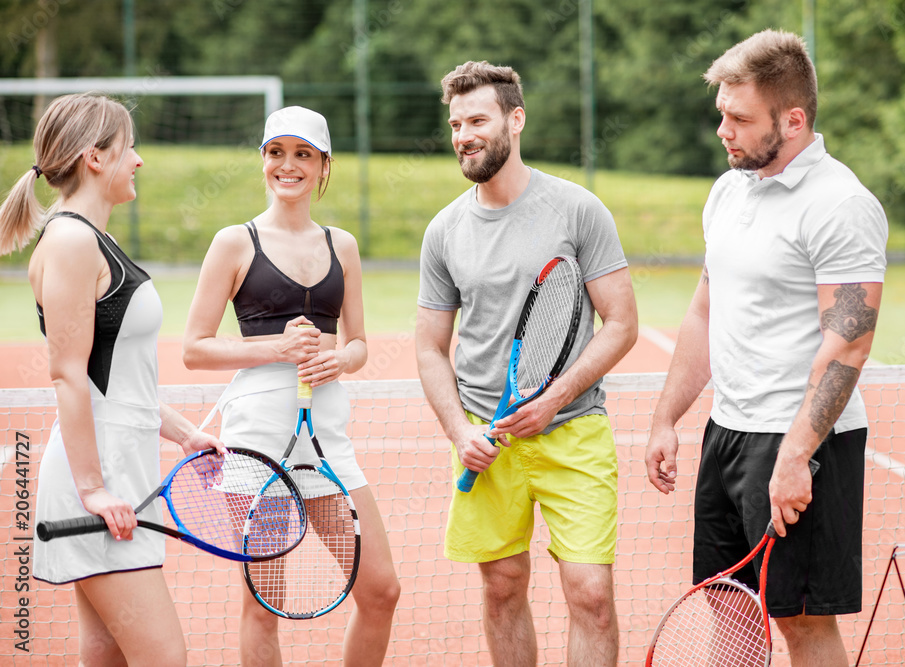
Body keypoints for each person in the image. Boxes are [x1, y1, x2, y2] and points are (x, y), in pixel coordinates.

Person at [644, 29, 888, 666]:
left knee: (802, 625)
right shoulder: (729, 190)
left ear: (794, 119)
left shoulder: (841, 204)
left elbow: (850, 345)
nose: (722, 129)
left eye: (739, 118)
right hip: (727, 434)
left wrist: (795, 456)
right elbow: (704, 309)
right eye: (721, 113)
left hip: (804, 445)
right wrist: (667, 417)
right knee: (730, 609)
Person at [415, 61, 638, 666]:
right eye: (456, 122)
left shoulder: (578, 209)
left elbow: (621, 323)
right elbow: (431, 348)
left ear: (515, 119)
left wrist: (554, 399)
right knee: (502, 586)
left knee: (591, 594)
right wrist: (460, 432)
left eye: (478, 119)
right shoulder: (444, 232)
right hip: (488, 439)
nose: (464, 133)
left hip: (575, 432)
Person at [0, 93, 226, 666]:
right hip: (98, 487)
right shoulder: (73, 241)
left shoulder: (88, 239)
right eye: (129, 147)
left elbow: (118, 382)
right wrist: (94, 490)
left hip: (120, 474)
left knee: (105, 654)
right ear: (93, 158)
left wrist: (181, 433)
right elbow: (68, 375)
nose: (139, 160)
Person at [182, 105, 399, 666]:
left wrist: (341, 362)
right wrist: (275, 349)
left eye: (303, 154)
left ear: (323, 165)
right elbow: (194, 348)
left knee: (380, 590)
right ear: (263, 160)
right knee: (265, 604)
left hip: (327, 445)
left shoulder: (341, 245)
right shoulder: (235, 242)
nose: (289, 165)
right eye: (277, 152)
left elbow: (358, 343)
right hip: (258, 448)